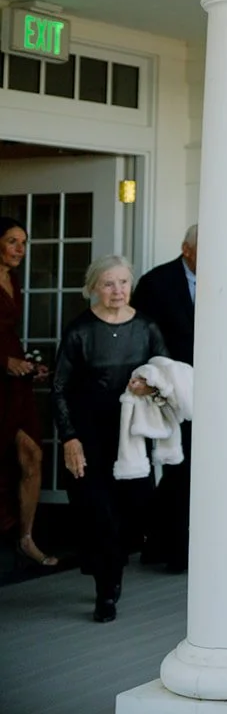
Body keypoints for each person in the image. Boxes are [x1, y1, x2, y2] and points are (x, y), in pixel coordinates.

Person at [53, 255, 167, 622]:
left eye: (122, 282)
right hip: (90, 435)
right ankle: (106, 589)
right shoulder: (79, 331)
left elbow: (167, 376)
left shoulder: (148, 328)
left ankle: (111, 566)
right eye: (108, 283)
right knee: (98, 513)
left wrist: (149, 385)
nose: (117, 290)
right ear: (93, 288)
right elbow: (59, 388)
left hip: (131, 434)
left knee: (133, 510)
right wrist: (69, 437)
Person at [131, 224, 196, 571]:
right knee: (177, 466)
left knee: (193, 470)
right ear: (186, 248)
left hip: (212, 391)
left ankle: (164, 543)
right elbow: (144, 336)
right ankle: (167, 548)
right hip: (168, 390)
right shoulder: (156, 283)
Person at [0, 217, 57, 568]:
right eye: (12, 241)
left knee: (32, 454)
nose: (21, 249)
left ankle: (26, 538)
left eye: (24, 242)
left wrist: (25, 365)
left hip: (14, 383)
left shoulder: (14, 281)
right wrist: (4, 360)